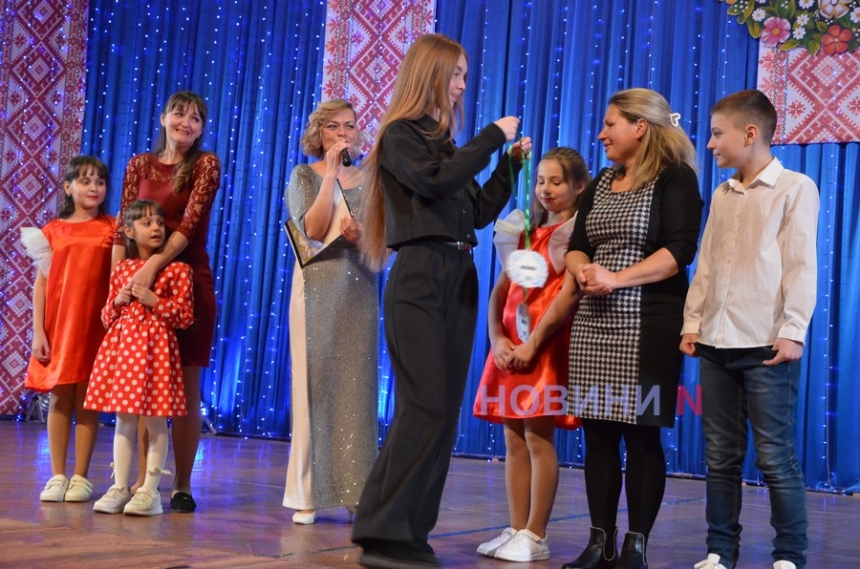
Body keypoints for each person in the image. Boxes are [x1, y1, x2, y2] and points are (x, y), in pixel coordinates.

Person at [353, 33, 530, 568]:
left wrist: (509, 167)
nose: (460, 85)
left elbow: (476, 212)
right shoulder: (401, 135)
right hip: (420, 274)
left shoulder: (445, 144)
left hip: (458, 273)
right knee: (425, 405)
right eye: (455, 74)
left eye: (464, 76)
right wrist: (492, 138)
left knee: (443, 413)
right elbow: (434, 184)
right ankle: (382, 530)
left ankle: (409, 531)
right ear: (429, 73)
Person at [562, 88, 702, 569]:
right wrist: (584, 271)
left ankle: (635, 545)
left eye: (610, 124)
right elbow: (577, 245)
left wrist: (616, 279)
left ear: (640, 127)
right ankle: (599, 543)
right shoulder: (602, 181)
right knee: (598, 435)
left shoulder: (675, 177)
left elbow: (679, 252)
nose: (602, 134)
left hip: (648, 323)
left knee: (641, 435)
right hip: (594, 323)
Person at [682, 90, 819, 569]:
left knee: (775, 455)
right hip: (716, 342)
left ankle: (789, 555)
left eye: (718, 134)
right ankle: (720, 551)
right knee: (720, 455)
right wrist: (693, 321)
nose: (711, 144)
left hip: (766, 344)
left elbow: (801, 265)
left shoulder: (795, 187)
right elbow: (707, 264)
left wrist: (793, 329)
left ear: (750, 133)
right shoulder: (723, 195)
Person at [473, 147, 589, 562]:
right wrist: (497, 339)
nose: (545, 189)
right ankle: (516, 526)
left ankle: (536, 533)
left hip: (543, 346)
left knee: (538, 437)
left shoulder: (576, 236)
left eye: (556, 181)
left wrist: (533, 344)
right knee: (513, 438)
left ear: (579, 186)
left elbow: (566, 296)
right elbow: (500, 292)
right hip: (510, 347)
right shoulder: (523, 231)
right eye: (540, 180)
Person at [113, 91, 221, 512]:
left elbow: (189, 226)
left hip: (187, 280)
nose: (186, 123)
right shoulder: (139, 165)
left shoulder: (206, 164)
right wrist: (118, 281)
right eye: (179, 114)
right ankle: (144, 482)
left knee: (187, 387)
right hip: (138, 282)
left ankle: (182, 484)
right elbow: (123, 226)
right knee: (142, 384)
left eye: (196, 118)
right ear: (163, 118)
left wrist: (152, 267)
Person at [283, 98, 378, 525]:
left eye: (350, 126)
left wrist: (362, 235)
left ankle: (356, 489)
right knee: (314, 386)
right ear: (319, 133)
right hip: (316, 288)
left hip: (358, 289)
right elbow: (314, 229)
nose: (343, 134)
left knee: (357, 388)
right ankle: (307, 492)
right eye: (334, 127)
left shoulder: (372, 180)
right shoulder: (303, 175)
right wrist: (331, 175)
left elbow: (383, 244)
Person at [86, 200, 194, 516]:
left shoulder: (179, 270)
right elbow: (106, 318)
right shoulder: (122, 270)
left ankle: (149, 490)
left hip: (157, 354)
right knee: (124, 420)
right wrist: (117, 302)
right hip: (123, 354)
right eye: (147, 223)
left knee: (157, 420)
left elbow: (185, 317)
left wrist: (155, 301)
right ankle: (120, 486)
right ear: (130, 232)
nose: (156, 228)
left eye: (159, 222)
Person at [21, 156, 115, 503]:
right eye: (85, 181)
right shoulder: (53, 230)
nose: (93, 188)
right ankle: (57, 475)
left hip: (95, 325)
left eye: (99, 182)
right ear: (68, 187)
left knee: (88, 398)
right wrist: (38, 331)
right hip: (60, 324)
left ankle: (81, 477)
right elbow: (42, 284)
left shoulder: (113, 228)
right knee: (60, 396)